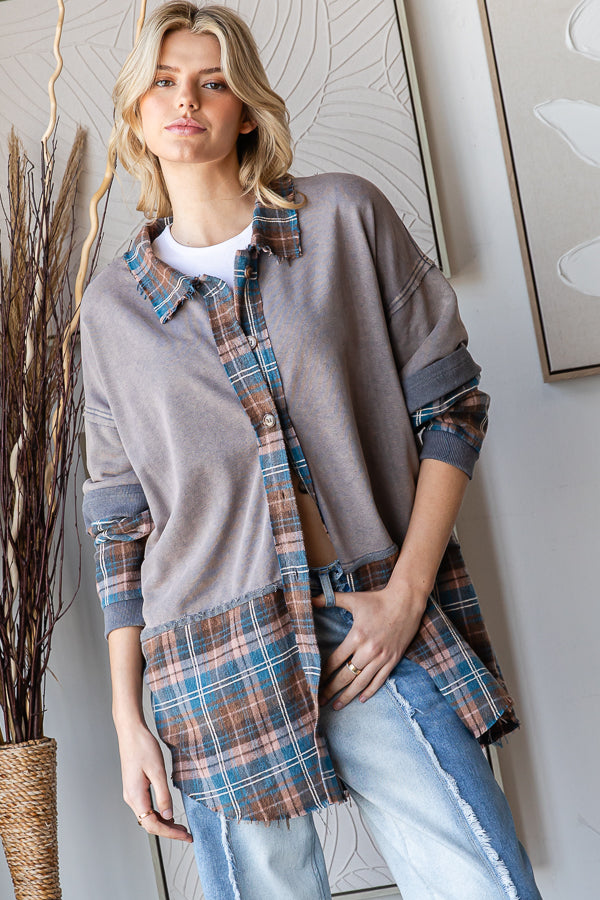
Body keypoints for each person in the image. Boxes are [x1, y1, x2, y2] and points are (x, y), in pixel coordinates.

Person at [80, 3, 542, 898]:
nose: (186, 100)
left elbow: (452, 410)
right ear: (136, 108)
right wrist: (127, 719)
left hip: (370, 617)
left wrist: (406, 597)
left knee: (484, 883)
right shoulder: (112, 310)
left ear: (246, 108)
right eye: (164, 82)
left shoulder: (343, 219)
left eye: (212, 81)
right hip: (211, 652)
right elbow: (118, 526)